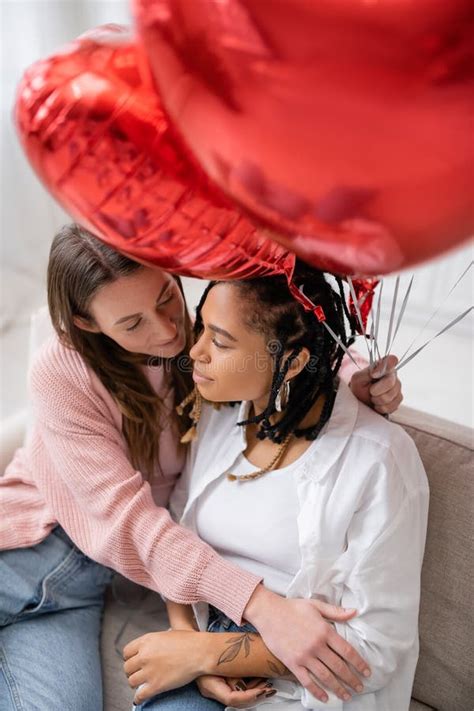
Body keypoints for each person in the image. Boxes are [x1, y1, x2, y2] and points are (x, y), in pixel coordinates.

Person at [0, 225, 402, 711]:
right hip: (27, 550)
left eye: (167, 296)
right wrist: (261, 607)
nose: (168, 329)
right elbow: (132, 522)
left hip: (86, 587)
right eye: (132, 324)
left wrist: (352, 381)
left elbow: (283, 346)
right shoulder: (62, 371)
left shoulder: (200, 350)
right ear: (87, 323)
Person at [123, 264, 428, 711]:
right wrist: (189, 643)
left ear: (292, 361)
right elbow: (177, 540)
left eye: (221, 341)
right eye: (201, 327)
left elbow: (374, 653)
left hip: (302, 689)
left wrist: (206, 654)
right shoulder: (221, 415)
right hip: (202, 648)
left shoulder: (379, 461)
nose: (196, 352)